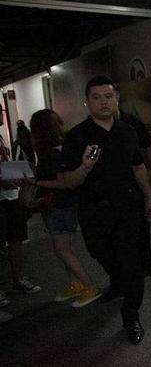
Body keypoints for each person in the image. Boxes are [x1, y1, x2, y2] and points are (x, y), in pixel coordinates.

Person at [61, 75, 151, 344]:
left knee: (132, 266)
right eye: (97, 97)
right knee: (101, 253)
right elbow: (69, 181)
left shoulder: (128, 131)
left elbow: (138, 166)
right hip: (94, 211)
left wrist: (148, 195)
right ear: (87, 102)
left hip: (128, 208)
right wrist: (85, 167)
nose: (103, 102)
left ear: (117, 99)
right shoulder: (76, 136)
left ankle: (131, 315)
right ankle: (118, 281)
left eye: (109, 96)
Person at [29, 109, 101, 307]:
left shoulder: (52, 153)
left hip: (60, 205)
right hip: (64, 204)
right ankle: (76, 283)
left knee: (62, 250)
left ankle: (88, 286)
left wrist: (36, 183)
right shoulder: (62, 148)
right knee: (65, 248)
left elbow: (63, 183)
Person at [0, 109, 42, 324]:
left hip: (11, 197)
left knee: (16, 239)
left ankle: (18, 279)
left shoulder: (2, 138)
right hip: (3, 197)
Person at [118, 109, 151, 277]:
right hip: (111, 185)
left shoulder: (131, 122)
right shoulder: (89, 128)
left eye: (109, 96)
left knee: (142, 224)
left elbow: (148, 146)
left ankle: (147, 263)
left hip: (135, 180)